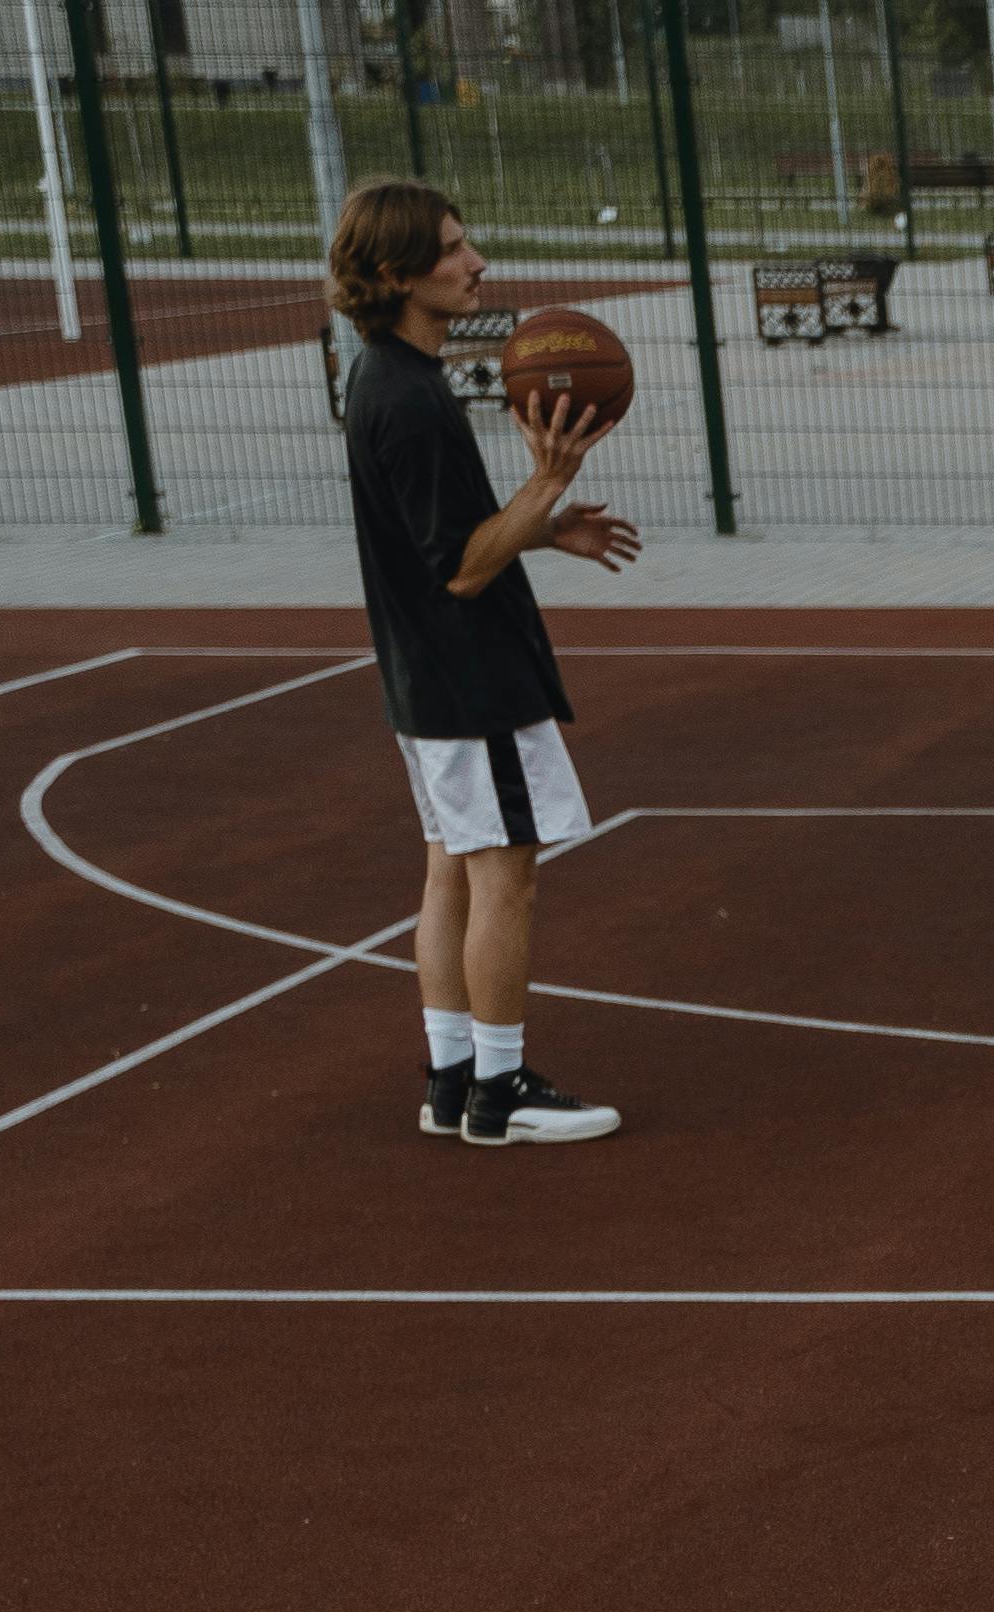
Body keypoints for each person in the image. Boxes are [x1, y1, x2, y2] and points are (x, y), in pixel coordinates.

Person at [329, 178, 639, 1145]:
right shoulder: (410, 402)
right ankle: (501, 1098)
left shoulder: (391, 378)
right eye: (456, 250)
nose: (478, 264)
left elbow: (449, 543)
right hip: (472, 682)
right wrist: (546, 482)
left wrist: (545, 532)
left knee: (451, 873)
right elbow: (462, 571)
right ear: (396, 274)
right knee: (509, 872)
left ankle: (453, 1079)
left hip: (430, 679)